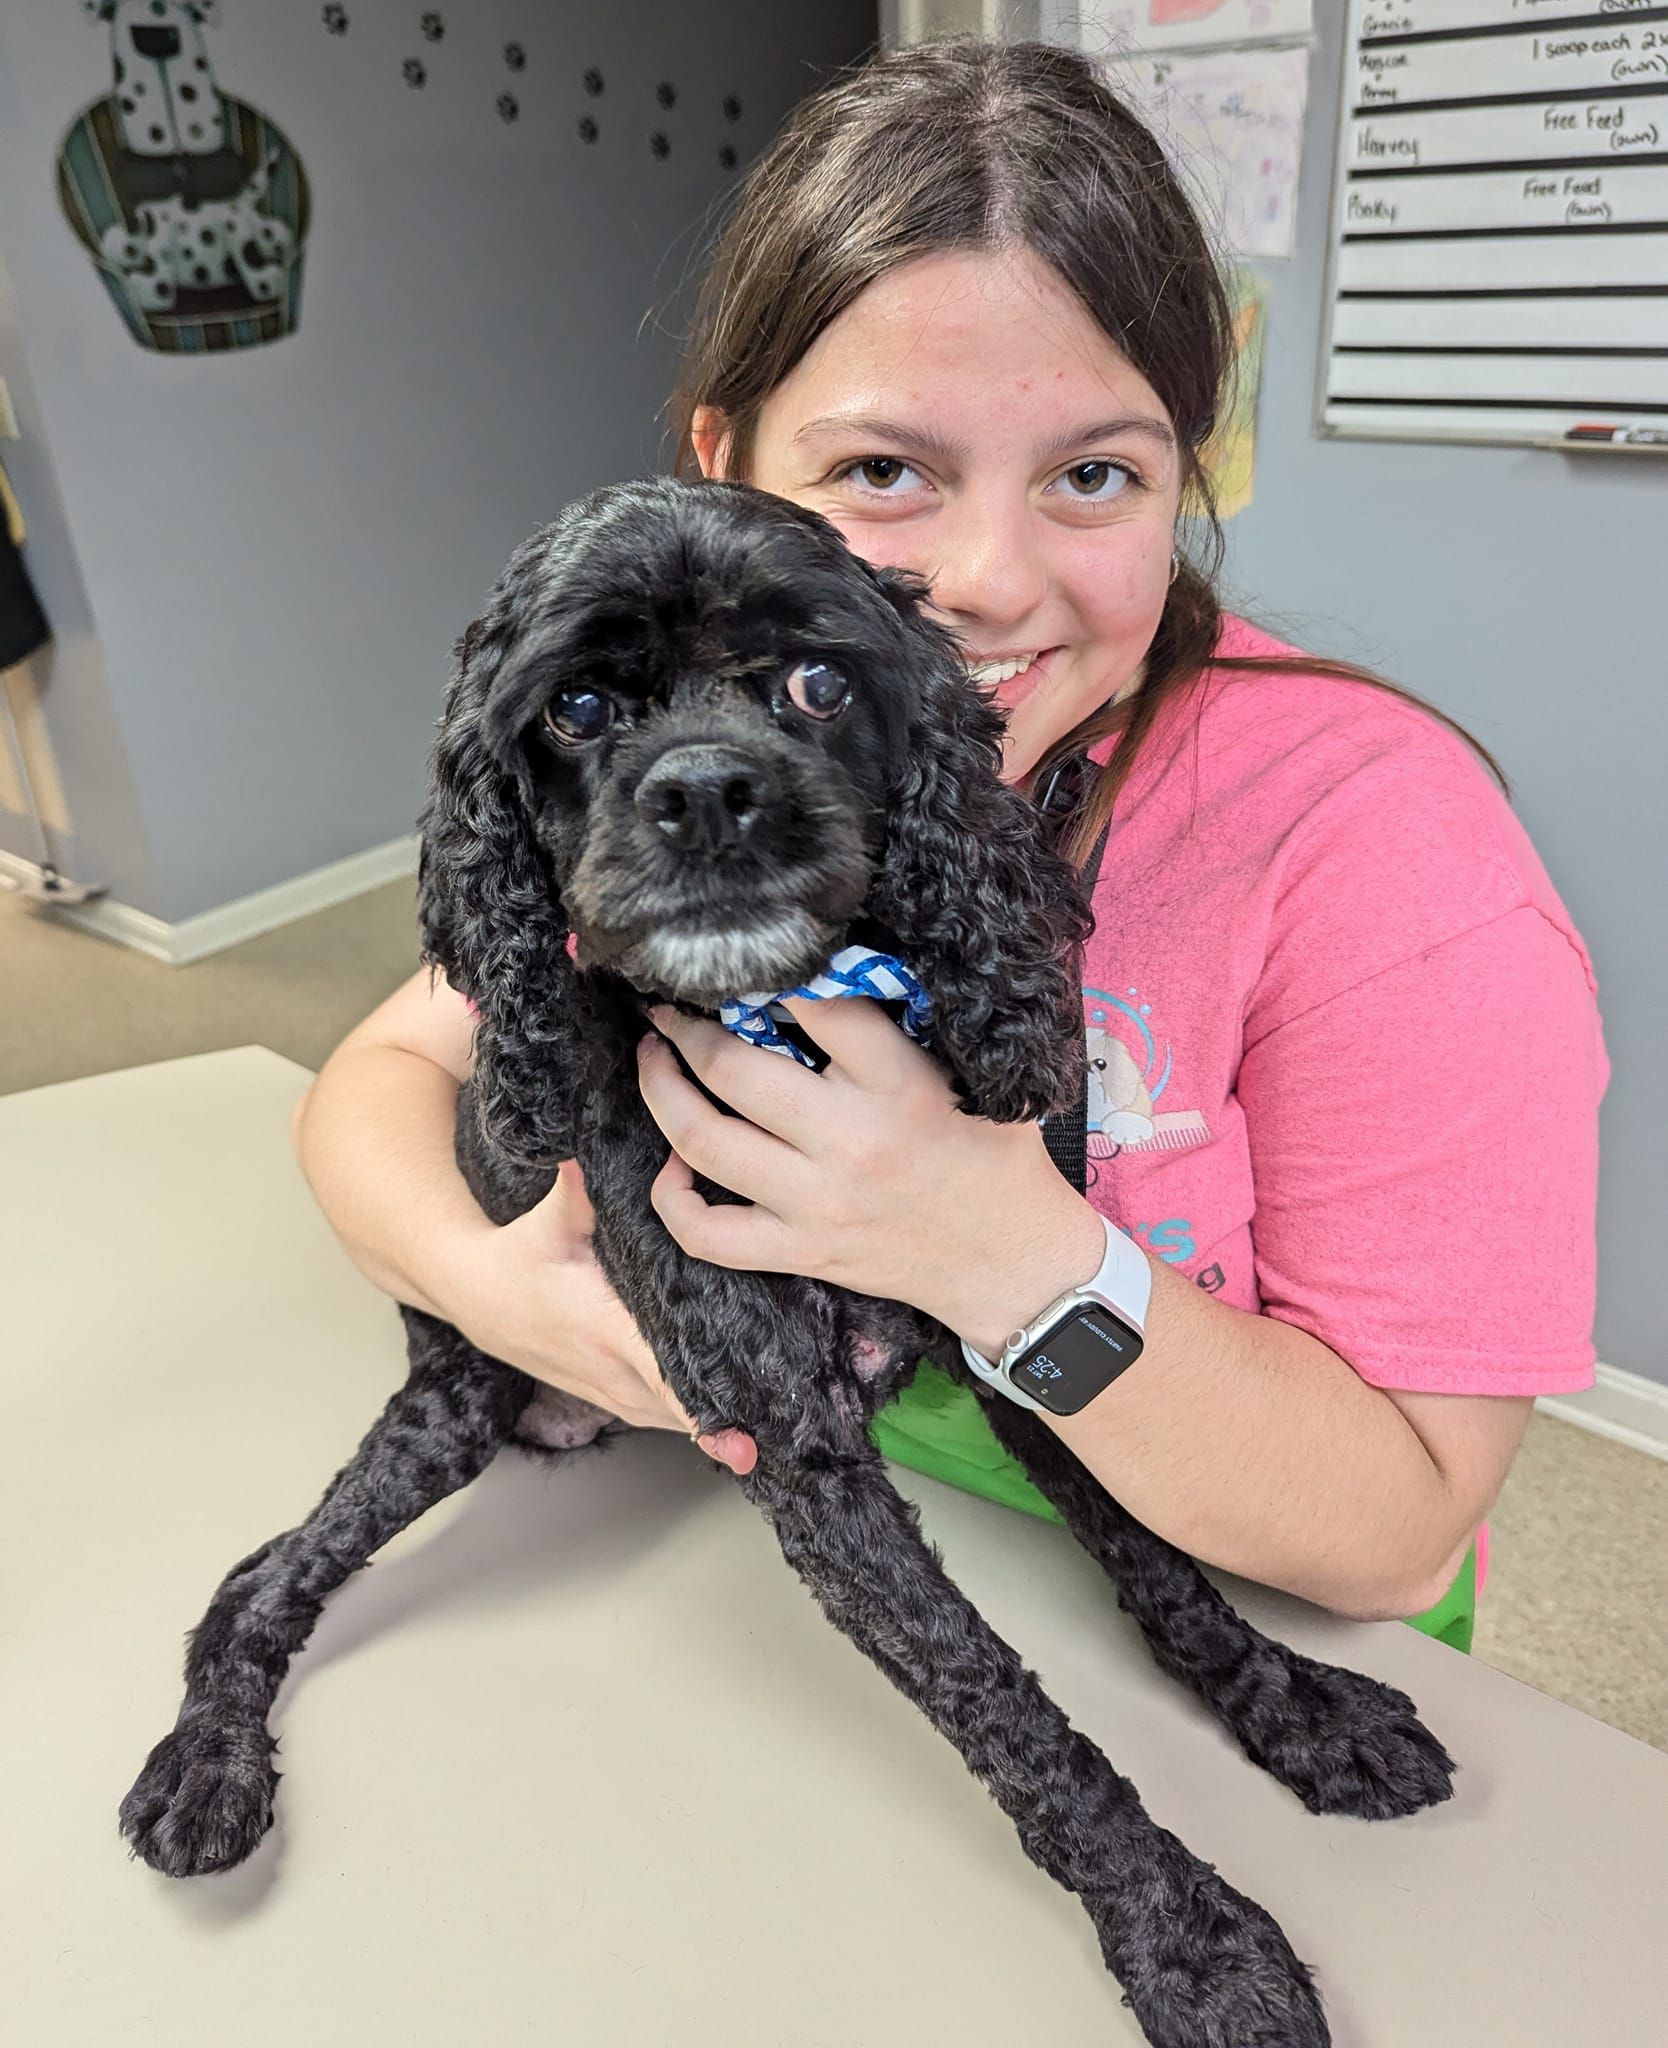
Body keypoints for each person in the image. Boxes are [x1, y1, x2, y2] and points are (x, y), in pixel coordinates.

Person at [292, 39, 1606, 1649]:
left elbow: (1398, 1538)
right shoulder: (712, 782)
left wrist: (1005, 1256)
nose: (986, 578)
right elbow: (381, 1077)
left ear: (1188, 477)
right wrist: (492, 1291)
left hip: (1227, 1612)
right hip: (781, 1551)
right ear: (726, 471)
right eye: (883, 471)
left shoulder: (1383, 851)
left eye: (1096, 474)